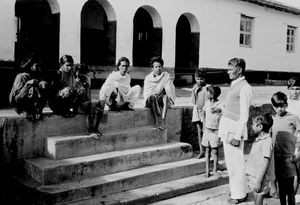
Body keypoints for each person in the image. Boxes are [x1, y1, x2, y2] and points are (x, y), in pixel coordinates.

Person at [218, 58, 252, 204]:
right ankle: (236, 191)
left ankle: (239, 195)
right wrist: (221, 108)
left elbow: (244, 115)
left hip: (234, 131)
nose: (228, 72)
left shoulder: (245, 87)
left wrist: (238, 136)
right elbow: (233, 107)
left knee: (237, 164)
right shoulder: (234, 84)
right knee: (231, 164)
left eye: (230, 69)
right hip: (228, 128)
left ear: (239, 70)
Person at [271, 91, 300, 205]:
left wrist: (297, 152)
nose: (280, 109)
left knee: (290, 189)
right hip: (276, 158)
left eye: (282, 106)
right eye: (277, 107)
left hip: (289, 158)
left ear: (286, 105)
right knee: (281, 189)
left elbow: (298, 135)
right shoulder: (272, 119)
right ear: (273, 107)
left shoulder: (293, 118)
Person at [245, 113, 274, 205]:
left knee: (259, 196)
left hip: (259, 177)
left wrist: (258, 181)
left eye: (253, 124)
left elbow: (265, 163)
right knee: (256, 195)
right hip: (254, 174)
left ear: (260, 126)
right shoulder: (259, 139)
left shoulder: (267, 142)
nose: (251, 126)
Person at [143, 56, 176, 129]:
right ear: (152, 68)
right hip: (151, 99)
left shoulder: (166, 76)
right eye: (156, 67)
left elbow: (168, 89)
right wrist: (155, 94)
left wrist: (166, 95)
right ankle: (156, 121)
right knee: (152, 97)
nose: (158, 68)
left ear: (162, 67)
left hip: (160, 97)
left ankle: (163, 120)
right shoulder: (148, 78)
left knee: (166, 98)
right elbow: (147, 92)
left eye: (160, 66)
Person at [74, 63, 104, 139]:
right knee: (93, 104)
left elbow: (88, 98)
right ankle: (90, 130)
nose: (83, 75)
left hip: (84, 104)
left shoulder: (86, 81)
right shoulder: (74, 81)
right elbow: (75, 99)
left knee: (100, 103)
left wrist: (88, 84)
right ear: (76, 72)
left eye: (84, 73)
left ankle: (96, 129)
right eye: (80, 72)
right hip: (76, 106)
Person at [202, 85, 223, 178]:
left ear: (212, 94)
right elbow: (204, 114)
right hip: (207, 130)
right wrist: (203, 126)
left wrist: (220, 110)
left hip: (215, 130)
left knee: (214, 151)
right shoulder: (206, 103)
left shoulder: (220, 104)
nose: (206, 94)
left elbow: (223, 112)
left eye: (208, 92)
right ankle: (207, 170)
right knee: (207, 149)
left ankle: (214, 169)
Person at [286, 77, 300, 194]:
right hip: (284, 141)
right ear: (288, 89)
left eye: (298, 89)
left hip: (298, 141)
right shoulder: (285, 104)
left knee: (295, 169)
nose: (295, 92)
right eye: (292, 88)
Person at [191, 69, 209, 159]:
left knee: (205, 131)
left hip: (204, 111)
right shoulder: (195, 87)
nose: (199, 81)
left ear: (205, 79)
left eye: (201, 79)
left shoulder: (207, 88)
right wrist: (194, 91)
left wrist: (205, 111)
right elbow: (193, 101)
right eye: (197, 79)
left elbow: (208, 101)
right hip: (196, 110)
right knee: (199, 132)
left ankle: (207, 151)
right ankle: (201, 151)